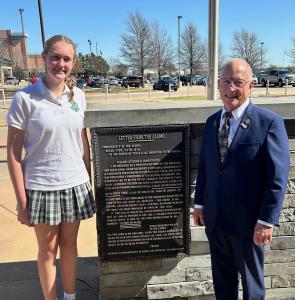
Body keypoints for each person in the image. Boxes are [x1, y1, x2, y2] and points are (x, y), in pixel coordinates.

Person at [6, 35, 96, 300]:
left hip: (75, 184)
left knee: (70, 247)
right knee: (47, 250)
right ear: (44, 58)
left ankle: (70, 296)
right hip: (41, 187)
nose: (60, 64)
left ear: (73, 63)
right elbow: (13, 154)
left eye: (66, 59)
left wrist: (87, 180)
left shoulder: (78, 96)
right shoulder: (26, 98)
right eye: (55, 57)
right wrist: (22, 201)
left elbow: (83, 141)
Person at [193, 58, 290, 300]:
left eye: (238, 82)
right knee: (222, 284)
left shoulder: (269, 123)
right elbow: (206, 166)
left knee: (252, 288)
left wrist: (267, 220)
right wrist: (200, 204)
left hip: (249, 225)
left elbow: (277, 177)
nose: (230, 89)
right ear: (218, 84)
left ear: (251, 86)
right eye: (226, 81)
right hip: (216, 221)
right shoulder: (213, 121)